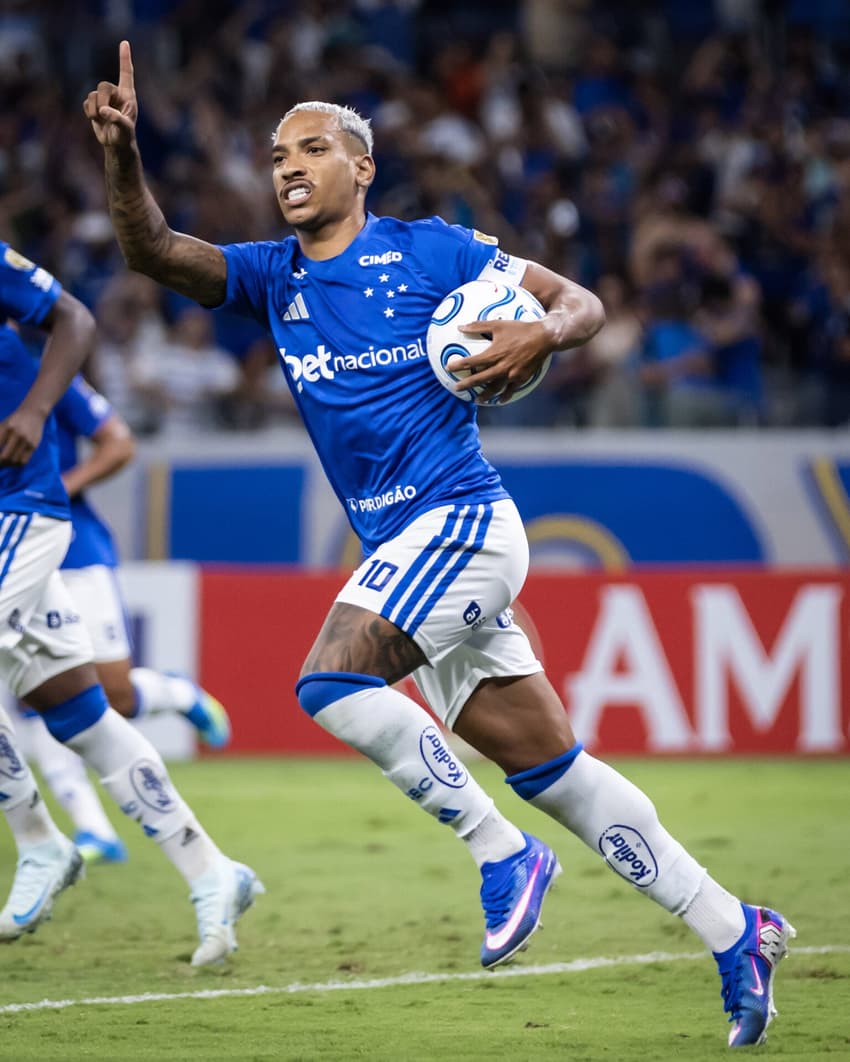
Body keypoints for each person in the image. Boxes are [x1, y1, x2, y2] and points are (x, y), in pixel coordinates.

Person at [85, 42, 794, 1046]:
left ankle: (502, 853)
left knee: (330, 682)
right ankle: (736, 931)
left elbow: (582, 303)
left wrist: (543, 334)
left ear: (361, 167)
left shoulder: (436, 252)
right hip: (408, 546)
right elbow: (152, 248)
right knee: (557, 773)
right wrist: (122, 154)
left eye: (313, 149)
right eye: (278, 155)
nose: (289, 166)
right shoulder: (270, 277)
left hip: (461, 519)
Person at [0, 237, 262, 963]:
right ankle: (212, 871)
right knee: (83, 713)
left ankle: (40, 842)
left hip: (20, 508)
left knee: (102, 698)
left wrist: (34, 411)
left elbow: (74, 318)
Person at [11, 372, 231, 865]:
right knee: (37, 693)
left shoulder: (43, 373)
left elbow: (118, 444)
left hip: (74, 554)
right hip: (13, 559)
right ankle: (93, 830)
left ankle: (176, 693)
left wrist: (55, 491)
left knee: (115, 696)